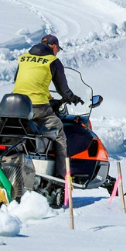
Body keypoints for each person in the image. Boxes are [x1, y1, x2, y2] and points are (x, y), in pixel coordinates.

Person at [12, 34, 83, 179]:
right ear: (54, 47)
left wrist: (48, 98)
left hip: (16, 105)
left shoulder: (24, 58)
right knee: (59, 132)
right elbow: (63, 90)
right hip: (37, 106)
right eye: (58, 49)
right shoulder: (53, 61)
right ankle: (60, 177)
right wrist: (73, 98)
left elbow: (19, 81)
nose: (57, 52)